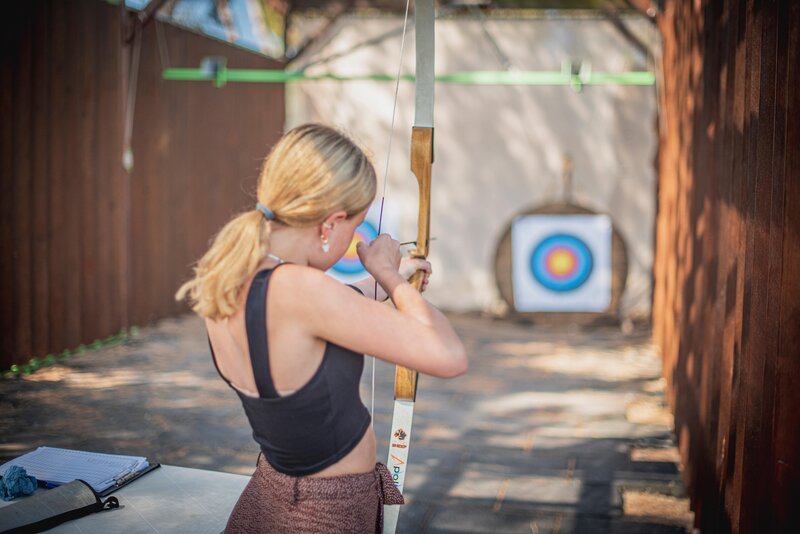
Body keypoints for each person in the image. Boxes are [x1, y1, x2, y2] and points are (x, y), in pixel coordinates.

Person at [175, 124, 467, 533]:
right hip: (326, 512)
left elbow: (322, 313)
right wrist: (388, 274)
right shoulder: (303, 290)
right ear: (330, 225)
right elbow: (450, 356)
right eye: (355, 226)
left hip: (271, 495)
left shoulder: (233, 275)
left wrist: (387, 282)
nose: (354, 240)